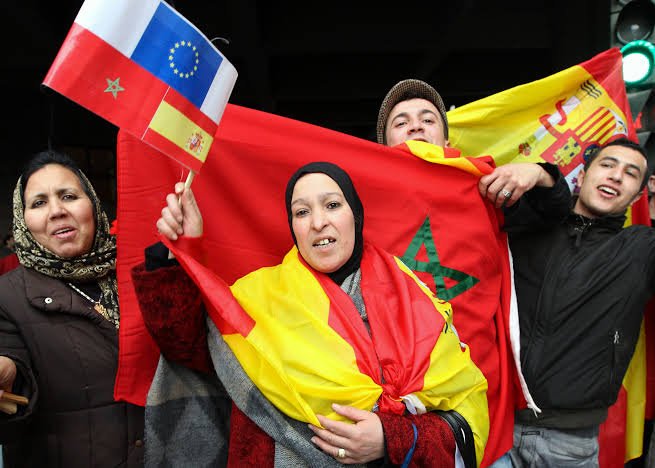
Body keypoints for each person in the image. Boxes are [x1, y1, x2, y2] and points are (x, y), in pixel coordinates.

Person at [131, 162, 489, 466]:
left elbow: (464, 411)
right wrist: (180, 255)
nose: (318, 222)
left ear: (355, 215)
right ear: (293, 227)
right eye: (302, 212)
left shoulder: (414, 300)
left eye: (332, 205)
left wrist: (391, 438)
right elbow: (185, 346)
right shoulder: (258, 298)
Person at [377, 79, 562, 468]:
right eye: (401, 122)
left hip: (476, 401)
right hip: (395, 402)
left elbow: (555, 212)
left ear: (445, 139)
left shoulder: (483, 185)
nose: (415, 125)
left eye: (428, 119)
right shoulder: (357, 196)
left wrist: (540, 173)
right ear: (382, 144)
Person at [484, 137, 654, 467]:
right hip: (494, 427)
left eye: (630, 173)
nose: (616, 175)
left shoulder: (641, 249)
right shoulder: (531, 225)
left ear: (637, 197)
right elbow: (544, 199)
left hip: (570, 445)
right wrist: (541, 172)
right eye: (608, 165)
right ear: (583, 175)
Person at [0, 150, 144, 467]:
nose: (57, 211)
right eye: (39, 203)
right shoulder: (6, 297)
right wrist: (9, 376)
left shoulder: (140, 273)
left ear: (92, 203)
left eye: (68, 196)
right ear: (23, 220)